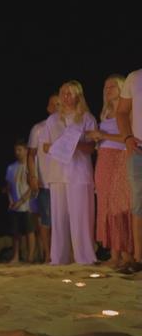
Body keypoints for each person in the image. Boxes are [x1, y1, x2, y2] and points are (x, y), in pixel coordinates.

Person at [40, 81, 97, 265]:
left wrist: (74, 145)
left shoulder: (87, 118)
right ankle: (58, 258)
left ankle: (85, 258)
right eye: (63, 93)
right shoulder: (52, 120)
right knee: (59, 219)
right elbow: (45, 146)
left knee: (80, 217)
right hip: (57, 174)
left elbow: (91, 147)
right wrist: (61, 146)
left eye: (70, 93)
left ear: (78, 96)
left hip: (79, 174)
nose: (65, 96)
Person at [87, 75, 134, 269]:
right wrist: (97, 140)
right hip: (104, 159)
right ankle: (114, 254)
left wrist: (103, 135)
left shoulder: (128, 112)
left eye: (113, 86)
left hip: (121, 158)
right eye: (106, 86)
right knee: (106, 205)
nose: (108, 89)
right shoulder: (104, 113)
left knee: (120, 205)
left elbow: (128, 138)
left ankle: (127, 254)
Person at [26, 93, 60, 263]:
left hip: (63, 182)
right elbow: (31, 155)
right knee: (46, 219)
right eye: (53, 104)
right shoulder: (38, 128)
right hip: (45, 181)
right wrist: (33, 175)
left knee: (63, 219)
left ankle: (63, 253)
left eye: (59, 104)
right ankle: (48, 254)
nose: (57, 108)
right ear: (48, 108)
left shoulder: (68, 128)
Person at [116, 69, 142, 274]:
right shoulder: (135, 78)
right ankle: (138, 258)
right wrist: (126, 137)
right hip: (138, 150)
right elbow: (122, 111)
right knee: (138, 203)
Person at [6, 140, 37, 264]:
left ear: (26, 150)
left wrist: (22, 200)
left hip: (28, 205)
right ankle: (16, 256)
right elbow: (8, 186)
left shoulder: (31, 167)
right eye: (16, 150)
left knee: (30, 231)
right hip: (15, 205)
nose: (17, 153)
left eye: (20, 150)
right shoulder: (11, 167)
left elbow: (32, 187)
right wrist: (11, 201)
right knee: (15, 232)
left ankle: (30, 257)